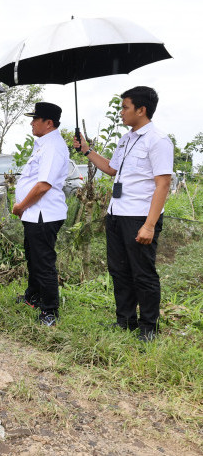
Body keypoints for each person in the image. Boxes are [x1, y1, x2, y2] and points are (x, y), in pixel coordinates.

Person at [73, 86, 173, 342]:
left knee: (143, 272)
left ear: (142, 109)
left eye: (125, 107)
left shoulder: (158, 140)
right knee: (119, 270)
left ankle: (149, 327)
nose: (121, 112)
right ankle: (125, 321)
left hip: (140, 217)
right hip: (116, 213)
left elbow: (162, 184)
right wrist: (86, 150)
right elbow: (111, 169)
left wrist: (150, 225)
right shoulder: (126, 139)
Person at [12, 102, 69, 326]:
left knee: (43, 262)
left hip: (43, 214)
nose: (31, 123)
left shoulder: (53, 146)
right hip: (35, 214)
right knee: (33, 258)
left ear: (49, 123)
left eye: (36, 119)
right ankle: (33, 296)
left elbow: (43, 185)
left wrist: (21, 206)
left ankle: (50, 310)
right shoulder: (44, 144)